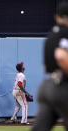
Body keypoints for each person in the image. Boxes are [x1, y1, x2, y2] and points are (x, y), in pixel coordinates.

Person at [32, 2, 68, 131]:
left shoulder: (51, 35)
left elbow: (45, 65)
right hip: (63, 86)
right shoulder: (65, 33)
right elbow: (61, 56)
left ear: (57, 17)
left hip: (47, 86)